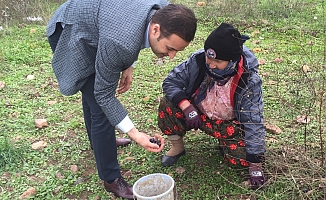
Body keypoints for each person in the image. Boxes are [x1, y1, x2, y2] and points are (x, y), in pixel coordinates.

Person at [46, 0, 197, 199]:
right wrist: (136, 134)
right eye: (169, 48)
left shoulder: (163, 9)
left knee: (93, 93)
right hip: (71, 28)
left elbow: (130, 34)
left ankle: (99, 142)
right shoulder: (121, 42)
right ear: (156, 29)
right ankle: (111, 179)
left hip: (103, 22)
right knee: (97, 100)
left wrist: (129, 64)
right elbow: (104, 95)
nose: (171, 56)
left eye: (177, 51)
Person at [157, 23, 267, 189]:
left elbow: (253, 121)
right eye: (209, 58)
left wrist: (256, 166)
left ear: (232, 60)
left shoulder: (248, 79)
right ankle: (177, 147)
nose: (211, 64)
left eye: (218, 61)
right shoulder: (198, 61)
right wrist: (187, 107)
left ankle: (224, 144)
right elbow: (171, 81)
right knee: (168, 104)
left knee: (243, 160)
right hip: (197, 115)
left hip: (228, 124)